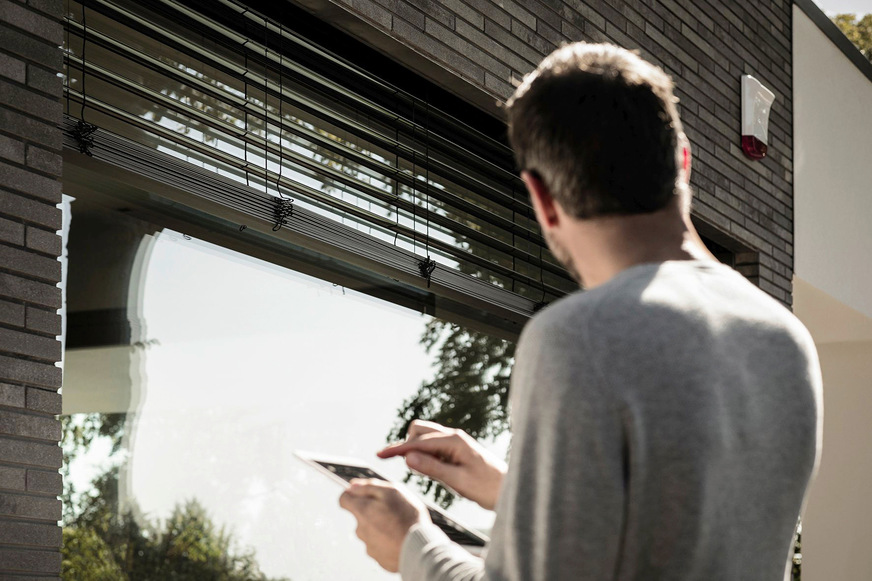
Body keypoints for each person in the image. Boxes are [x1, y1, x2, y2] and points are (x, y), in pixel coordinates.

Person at [339, 42, 822, 581]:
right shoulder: (785, 338)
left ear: (541, 198)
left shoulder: (583, 336)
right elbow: (679, 530)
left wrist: (409, 544)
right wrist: (510, 487)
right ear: (683, 158)